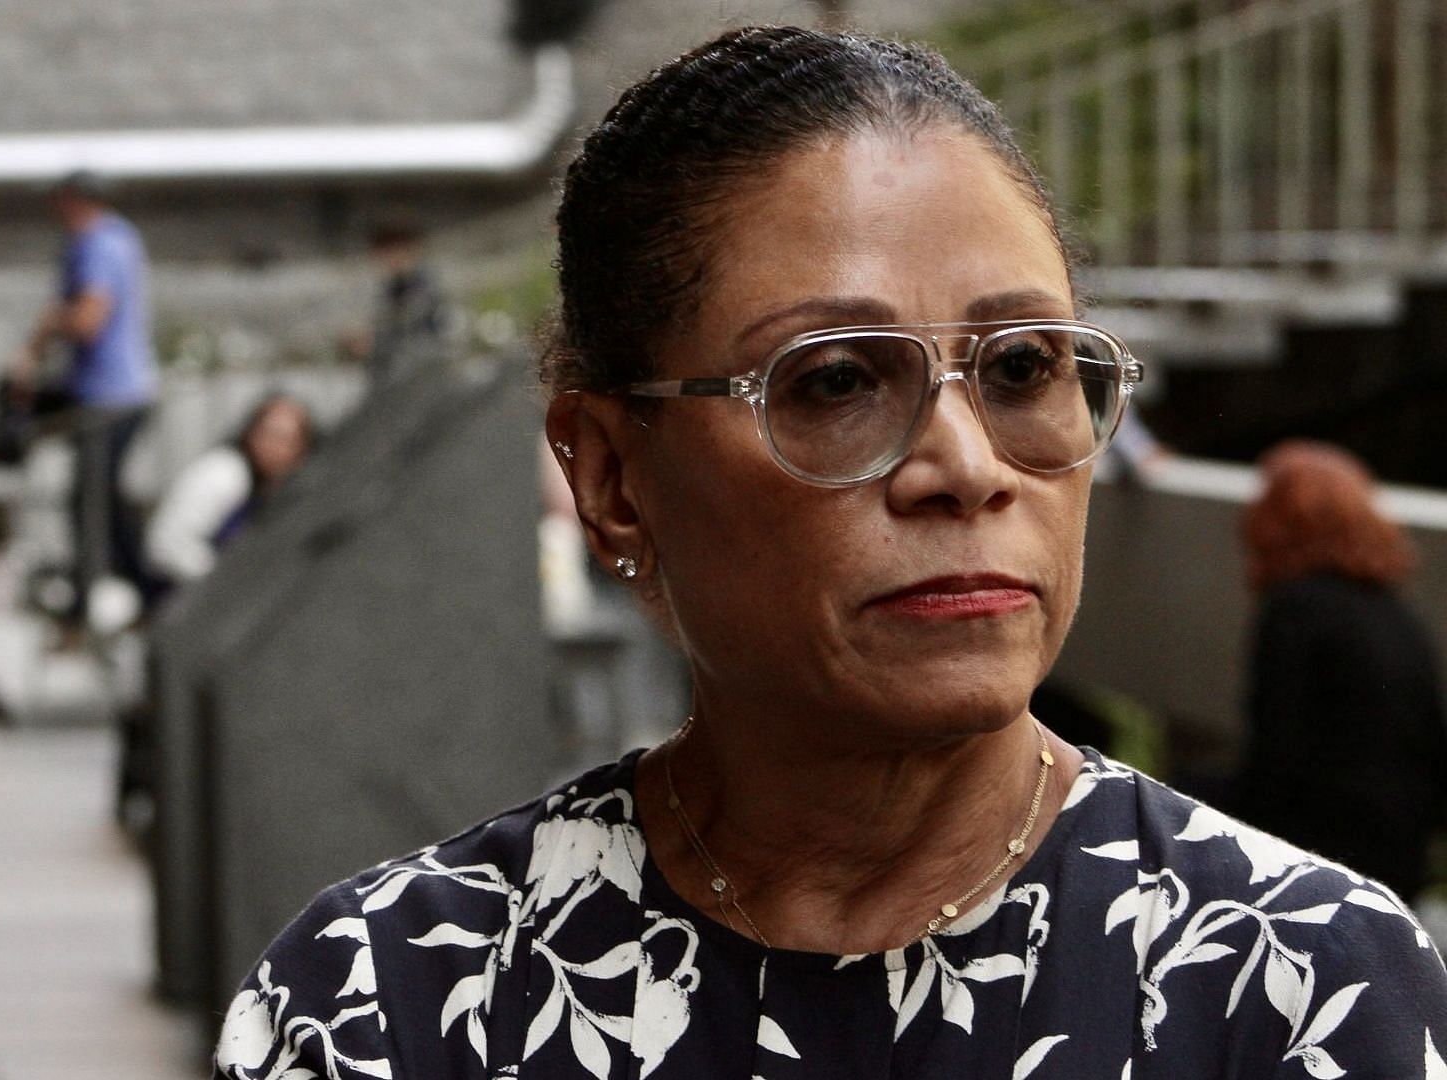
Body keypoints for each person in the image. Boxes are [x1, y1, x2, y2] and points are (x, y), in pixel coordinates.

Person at [216, 28, 1447, 1079]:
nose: (967, 464)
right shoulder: (396, 1005)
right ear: (610, 476)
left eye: (1024, 367)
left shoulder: (1297, 987)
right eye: (837, 378)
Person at [1235, 441, 1447, 900]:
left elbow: (1273, 760)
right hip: (1402, 856)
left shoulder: (1294, 610)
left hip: (1326, 856)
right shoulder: (1395, 611)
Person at [13, 170, 159, 635]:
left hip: (110, 393)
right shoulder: (120, 238)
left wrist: (46, 328)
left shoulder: (98, 243)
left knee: (93, 502)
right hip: (119, 389)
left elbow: (89, 319)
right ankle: (139, 591)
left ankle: (96, 603)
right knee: (105, 499)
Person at [144, 395, 313, 590]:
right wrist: (226, 581)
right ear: (250, 433)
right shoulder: (224, 473)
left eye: (286, 440)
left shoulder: (278, 489)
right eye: (268, 433)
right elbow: (168, 544)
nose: (273, 446)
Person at [362, 222, 454, 389]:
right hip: (395, 376)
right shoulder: (392, 288)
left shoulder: (423, 285)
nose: (389, 259)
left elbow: (413, 323)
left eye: (393, 250)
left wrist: (374, 341)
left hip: (420, 374)